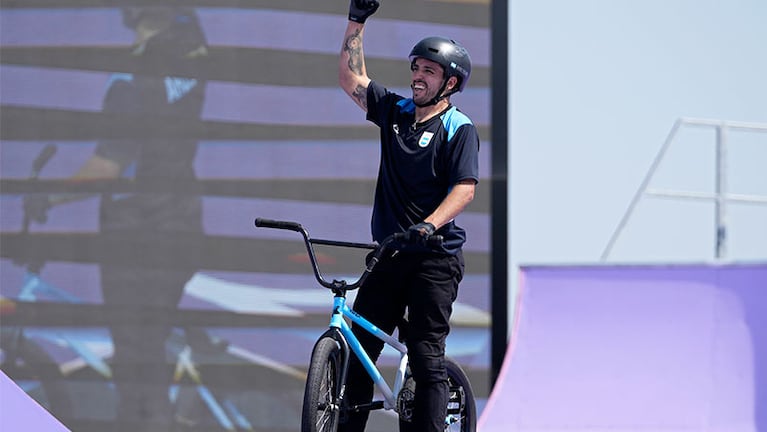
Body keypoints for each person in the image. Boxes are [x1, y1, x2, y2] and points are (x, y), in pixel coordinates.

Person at [24, 7, 209, 431]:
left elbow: (107, 167)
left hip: (140, 236)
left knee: (137, 376)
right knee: (150, 351)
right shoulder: (191, 60)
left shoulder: (129, 83)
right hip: (182, 223)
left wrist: (47, 197)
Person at [338, 1, 480, 431]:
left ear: (449, 83)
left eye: (429, 71)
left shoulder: (459, 127)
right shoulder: (396, 112)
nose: (417, 76)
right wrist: (356, 20)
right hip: (389, 255)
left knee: (424, 354)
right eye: (416, 67)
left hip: (434, 259)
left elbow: (465, 188)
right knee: (358, 350)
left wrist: (428, 225)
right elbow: (351, 80)